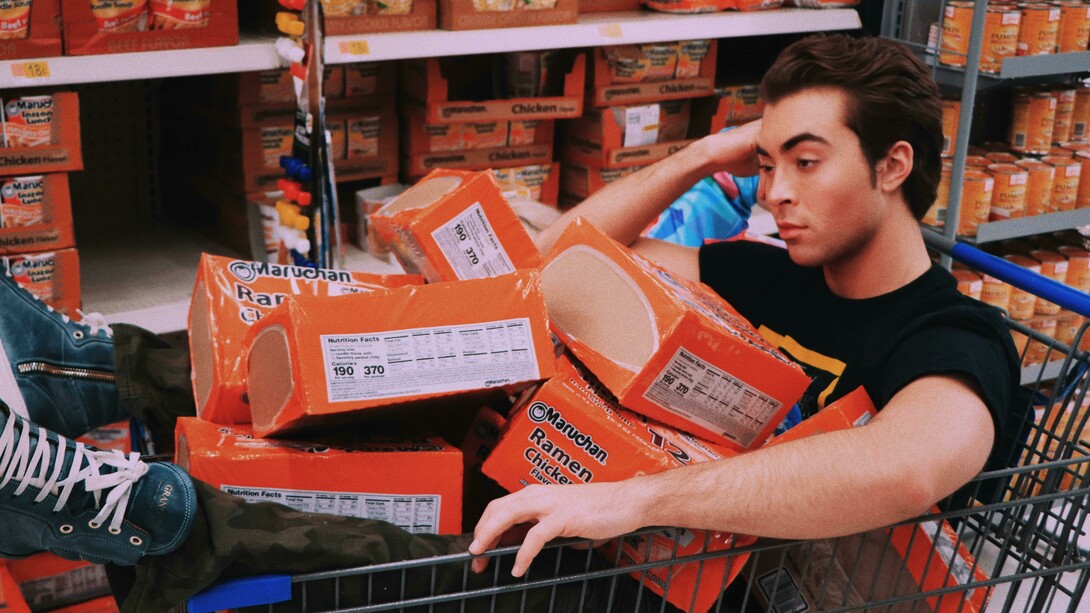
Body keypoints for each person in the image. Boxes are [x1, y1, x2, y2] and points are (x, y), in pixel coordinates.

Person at [0, 33, 1025, 613]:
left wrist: (630, 501)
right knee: (444, 332)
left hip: (679, 585)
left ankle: (167, 520)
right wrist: (700, 157)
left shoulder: (950, 338)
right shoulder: (765, 273)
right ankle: (79, 366)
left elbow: (903, 467)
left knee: (466, 545)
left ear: (893, 168)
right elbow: (558, 273)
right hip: (599, 500)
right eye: (770, 163)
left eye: (808, 159)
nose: (780, 189)